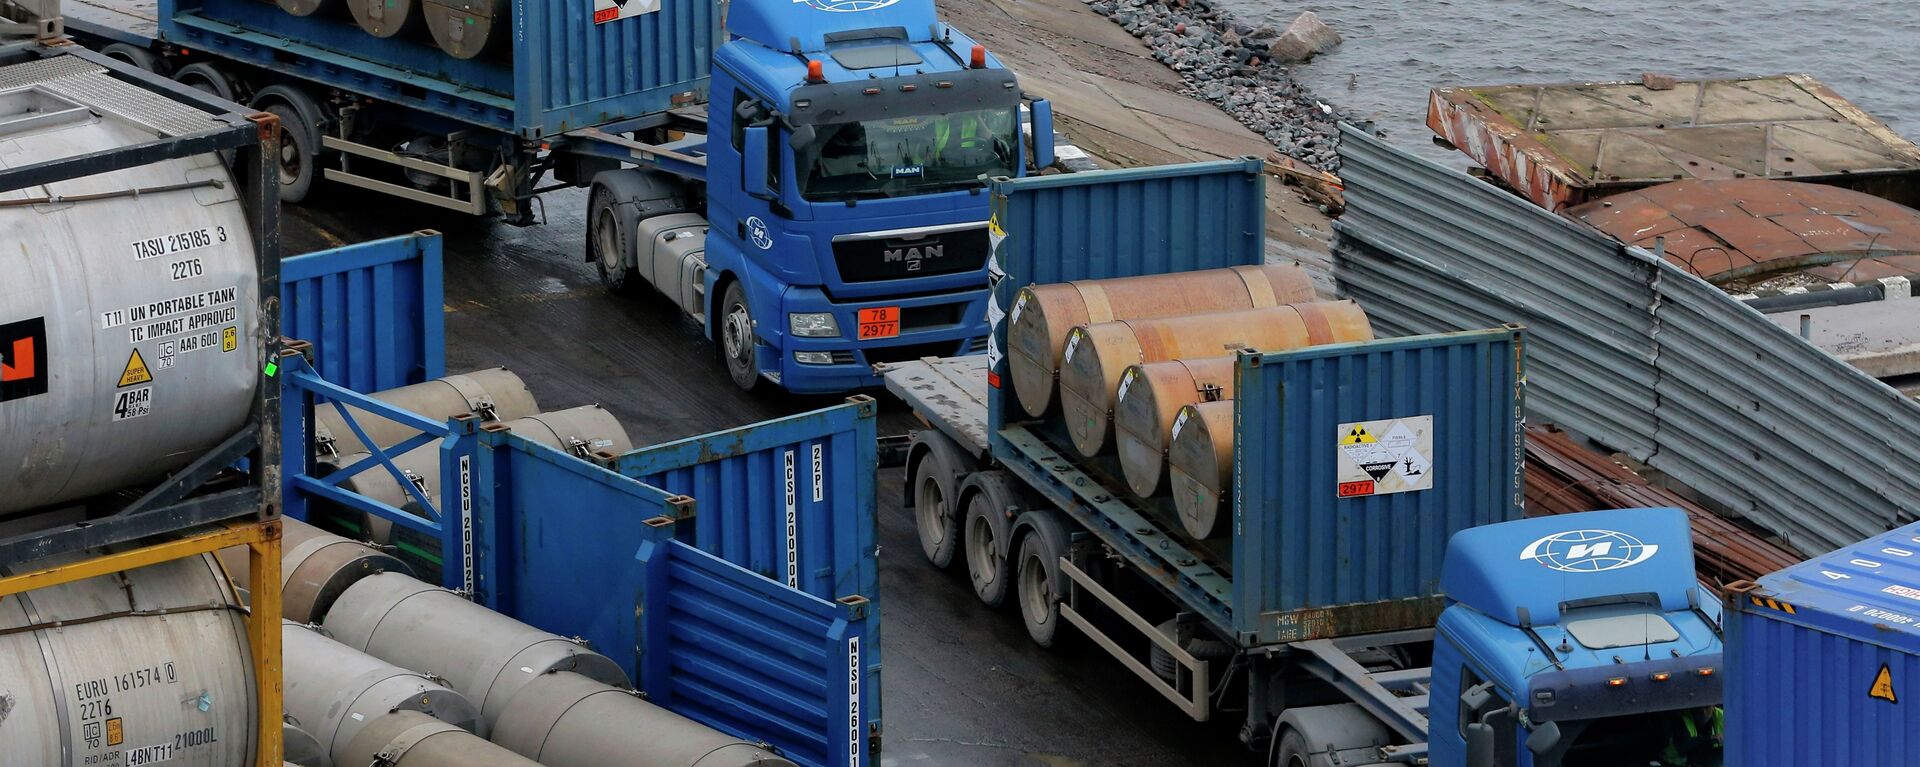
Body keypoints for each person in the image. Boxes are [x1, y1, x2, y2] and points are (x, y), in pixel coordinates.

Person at [1656, 706, 1723, 767]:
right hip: (1675, 762)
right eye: (1700, 707)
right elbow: (1685, 747)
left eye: (1708, 706)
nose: (1703, 711)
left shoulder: (1723, 715)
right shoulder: (1681, 718)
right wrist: (1711, 739)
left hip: (1702, 756)